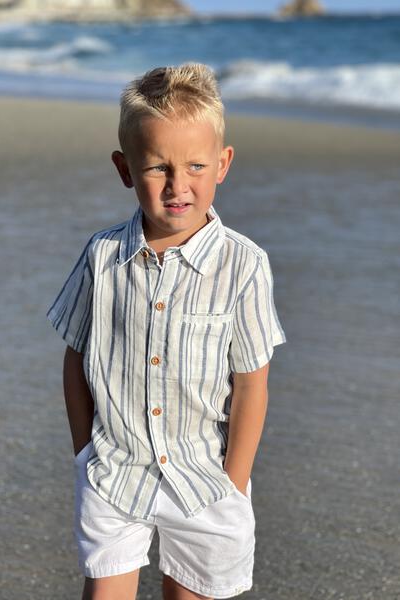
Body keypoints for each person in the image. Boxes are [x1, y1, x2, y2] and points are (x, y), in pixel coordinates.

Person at [47, 62, 287, 600]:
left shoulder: (243, 266)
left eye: (196, 166)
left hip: (205, 481)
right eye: (158, 168)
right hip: (114, 472)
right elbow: (76, 357)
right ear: (125, 168)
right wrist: (84, 451)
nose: (179, 186)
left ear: (222, 164)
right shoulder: (103, 256)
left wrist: (234, 481)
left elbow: (252, 382)